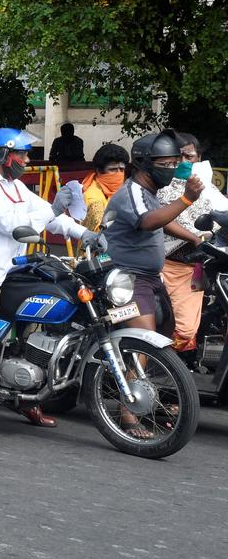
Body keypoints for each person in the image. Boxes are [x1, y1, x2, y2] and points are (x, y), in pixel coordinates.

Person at [0, 127, 98, 428]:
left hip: (12, 271)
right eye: (23, 154)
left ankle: (24, 396)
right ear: (4, 155)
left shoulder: (13, 185)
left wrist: (85, 234)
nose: (28, 160)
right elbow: (11, 225)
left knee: (35, 328)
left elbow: (48, 215)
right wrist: (53, 208)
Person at [102, 129, 204, 436]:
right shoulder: (132, 191)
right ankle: (128, 413)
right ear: (144, 163)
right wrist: (187, 199)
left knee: (164, 334)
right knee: (143, 343)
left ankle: (144, 393)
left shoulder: (149, 192)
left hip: (149, 278)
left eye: (175, 163)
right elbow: (148, 221)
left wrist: (193, 237)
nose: (172, 169)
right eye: (166, 164)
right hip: (127, 280)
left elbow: (161, 218)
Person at [153, 133, 225, 353]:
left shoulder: (206, 186)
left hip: (198, 268)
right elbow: (161, 219)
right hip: (167, 265)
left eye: (189, 156)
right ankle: (155, 364)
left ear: (198, 157)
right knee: (166, 326)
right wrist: (193, 238)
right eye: (177, 158)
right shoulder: (159, 184)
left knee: (186, 331)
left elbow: (223, 212)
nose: (183, 162)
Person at [75, 143, 130, 231]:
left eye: (122, 169)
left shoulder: (126, 188)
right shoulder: (93, 199)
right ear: (99, 171)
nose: (118, 174)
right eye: (113, 169)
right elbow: (103, 230)